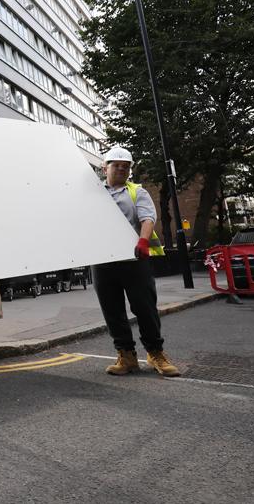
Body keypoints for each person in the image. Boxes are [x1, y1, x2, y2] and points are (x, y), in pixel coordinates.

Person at [93, 146, 180, 378]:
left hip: (134, 259)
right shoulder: (93, 192)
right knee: (112, 310)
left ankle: (155, 353)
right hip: (102, 260)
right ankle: (126, 356)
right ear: (105, 167)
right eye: (116, 165)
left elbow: (148, 218)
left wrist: (143, 241)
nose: (122, 169)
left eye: (126, 166)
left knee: (145, 307)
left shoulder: (136, 192)